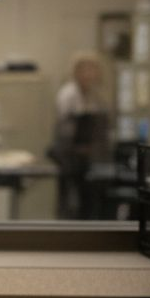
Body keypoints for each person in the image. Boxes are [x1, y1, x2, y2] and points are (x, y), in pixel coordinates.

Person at [49, 51, 110, 219]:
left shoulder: (94, 94)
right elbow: (65, 127)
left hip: (88, 156)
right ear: (76, 71)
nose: (90, 74)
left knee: (89, 201)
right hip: (69, 155)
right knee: (68, 200)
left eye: (93, 69)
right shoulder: (68, 94)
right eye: (85, 69)